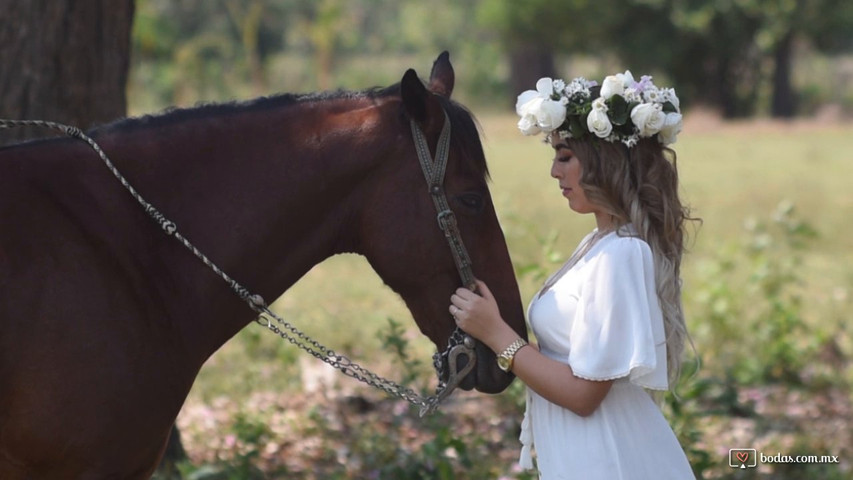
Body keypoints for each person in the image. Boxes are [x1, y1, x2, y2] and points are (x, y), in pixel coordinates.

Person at [449, 72, 697, 479]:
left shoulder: (621, 254)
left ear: (605, 159)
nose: (554, 172)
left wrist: (496, 335)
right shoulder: (598, 244)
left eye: (565, 156)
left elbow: (583, 395)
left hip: (613, 462)